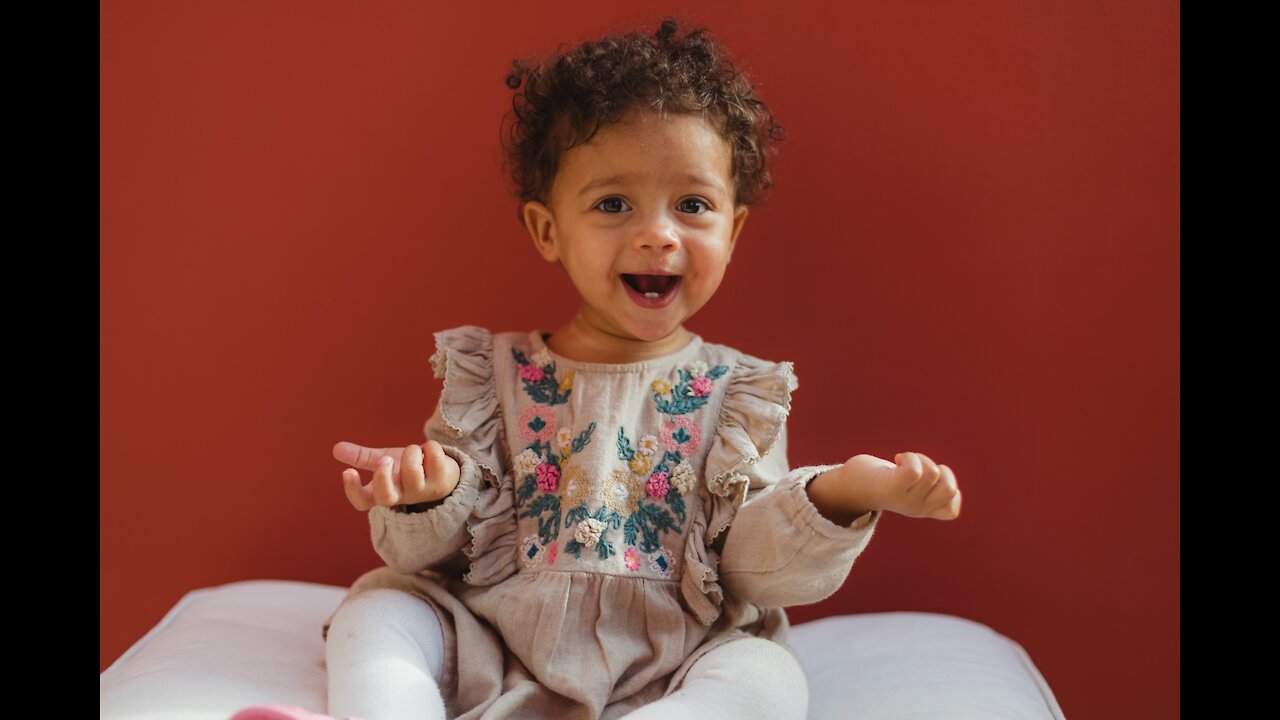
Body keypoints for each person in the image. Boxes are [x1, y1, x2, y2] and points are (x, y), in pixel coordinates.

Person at [232, 17, 960, 720]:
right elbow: (438, 551)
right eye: (614, 203)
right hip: (496, 642)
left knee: (765, 673)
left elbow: (756, 569)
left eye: (693, 205)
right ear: (548, 231)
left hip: (673, 654)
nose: (657, 234)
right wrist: (430, 493)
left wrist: (838, 495)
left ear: (733, 229)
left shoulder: (738, 395)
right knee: (379, 605)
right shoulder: (492, 376)